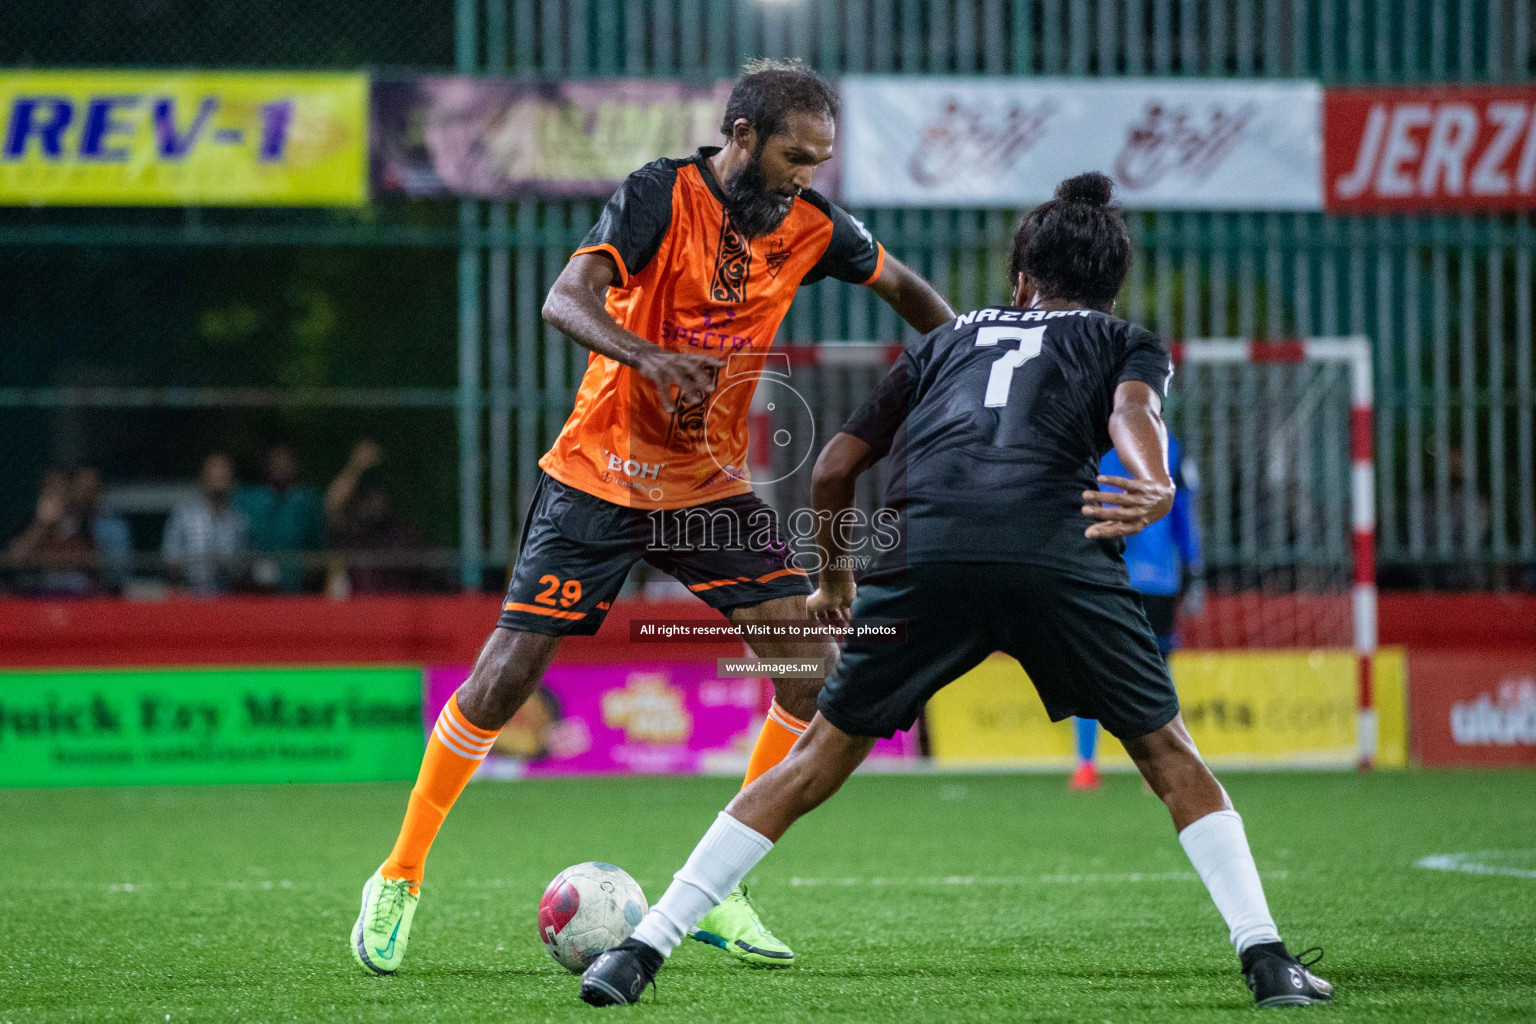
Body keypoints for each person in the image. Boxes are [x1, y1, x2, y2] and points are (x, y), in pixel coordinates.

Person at [580, 173, 1333, 1010]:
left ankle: (640, 952)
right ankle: (1267, 961)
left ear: (1021, 279)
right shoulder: (1126, 341)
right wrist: (1154, 482)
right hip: (1056, 555)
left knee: (815, 760)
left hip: (922, 555)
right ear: (1108, 288)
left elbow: (832, 466)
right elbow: (1134, 415)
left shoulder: (944, 342)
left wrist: (835, 574)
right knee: (1168, 757)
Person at [351, 58, 955, 977]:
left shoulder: (814, 227)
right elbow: (564, 299)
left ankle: (722, 890)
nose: (807, 176)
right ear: (741, 133)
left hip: (709, 491)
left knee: (814, 675)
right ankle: (398, 874)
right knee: (504, 679)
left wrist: (963, 379)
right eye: (795, 156)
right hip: (598, 476)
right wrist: (649, 357)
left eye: (821, 162)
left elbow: (916, 299)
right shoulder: (656, 196)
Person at [1071, 434, 1203, 790]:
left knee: (1091, 668)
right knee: (1157, 670)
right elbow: (1184, 514)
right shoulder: (1169, 444)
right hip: (1157, 577)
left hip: (1102, 573)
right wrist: (1193, 567)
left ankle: (1085, 765)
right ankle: (1166, 764)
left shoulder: (1084, 442)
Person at [326, 440, 436, 595]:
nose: (375, 503)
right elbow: (331, 505)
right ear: (359, 502)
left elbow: (429, 581)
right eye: (368, 498)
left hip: (400, 613)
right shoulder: (351, 534)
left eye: (379, 496)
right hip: (360, 614)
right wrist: (355, 468)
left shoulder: (405, 535)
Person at [5, 467, 130, 596]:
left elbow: (96, 565)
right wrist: (42, 525)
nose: (55, 498)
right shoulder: (29, 521)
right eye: (49, 492)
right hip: (36, 592)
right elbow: (15, 558)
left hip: (77, 593)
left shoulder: (83, 521)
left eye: (60, 491)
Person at [234, 444, 326, 593]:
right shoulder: (248, 500)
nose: (281, 467)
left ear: (295, 466)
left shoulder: (308, 501)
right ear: (267, 466)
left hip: (298, 588)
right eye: (276, 462)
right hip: (256, 589)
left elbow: (318, 547)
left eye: (285, 462)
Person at [162, 453, 247, 596]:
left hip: (227, 598)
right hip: (190, 598)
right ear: (203, 477)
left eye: (224, 474)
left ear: (231, 480)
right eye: (214, 472)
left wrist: (233, 565)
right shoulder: (184, 514)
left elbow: (244, 562)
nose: (219, 477)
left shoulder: (238, 520)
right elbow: (169, 557)